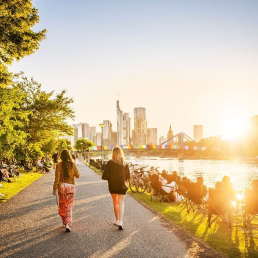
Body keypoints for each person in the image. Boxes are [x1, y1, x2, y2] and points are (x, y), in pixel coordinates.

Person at [102, 146, 130, 230]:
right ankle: (121, 221)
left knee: (115, 202)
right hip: (122, 186)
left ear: (113, 153)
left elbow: (105, 176)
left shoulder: (110, 163)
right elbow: (128, 178)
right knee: (121, 202)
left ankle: (117, 220)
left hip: (113, 186)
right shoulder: (125, 163)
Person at [53, 149, 80, 232]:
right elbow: (78, 175)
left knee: (62, 205)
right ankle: (68, 223)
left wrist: (54, 188)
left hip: (62, 187)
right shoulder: (72, 164)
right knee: (69, 206)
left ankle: (65, 221)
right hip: (71, 187)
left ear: (61, 156)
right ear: (69, 156)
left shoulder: (58, 165)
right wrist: (71, 174)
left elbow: (57, 178)